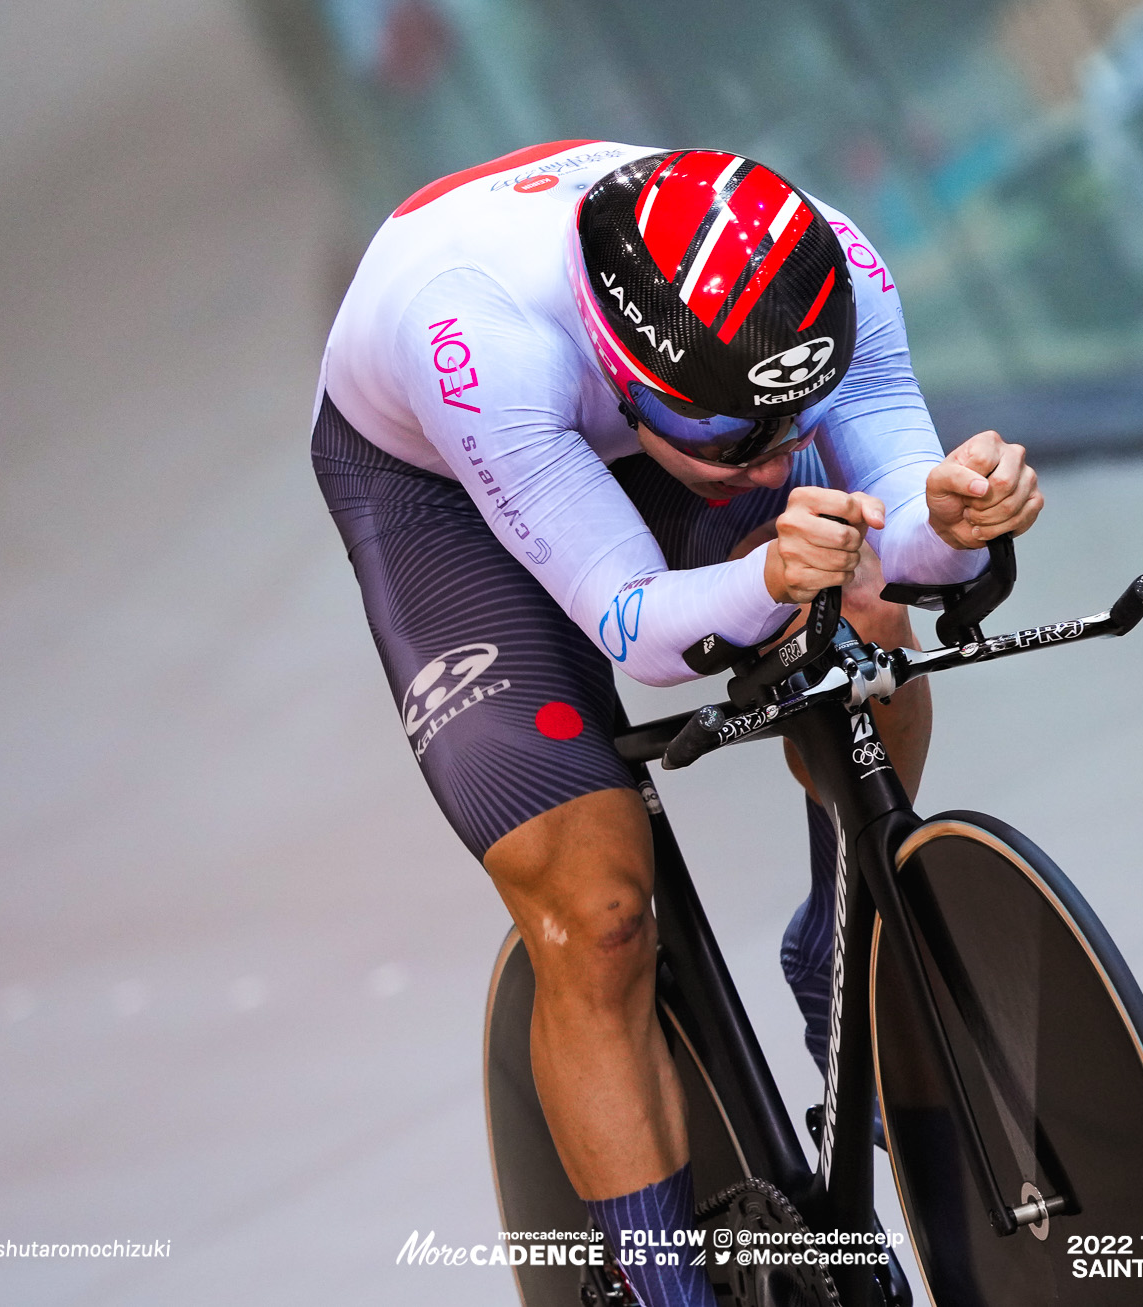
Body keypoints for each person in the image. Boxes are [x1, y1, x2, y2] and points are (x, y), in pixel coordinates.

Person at [312, 140, 1042, 1307]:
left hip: (623, 417)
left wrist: (954, 518)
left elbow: (900, 523)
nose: (761, 460)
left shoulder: (822, 269)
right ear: (625, 373)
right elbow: (639, 626)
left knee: (861, 610)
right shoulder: (483, 342)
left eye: (783, 423)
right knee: (597, 909)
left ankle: (837, 929)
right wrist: (764, 575)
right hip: (439, 489)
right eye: (731, 440)